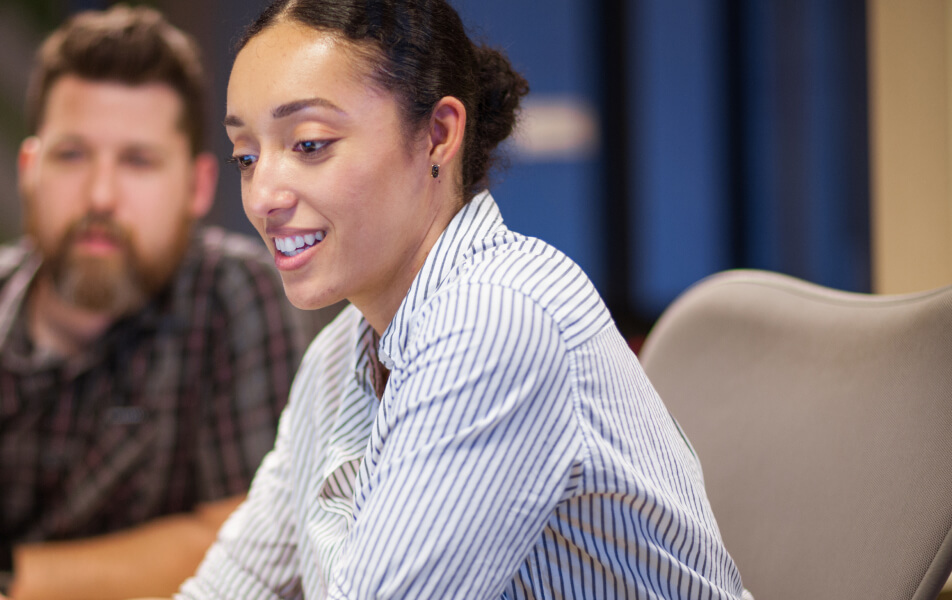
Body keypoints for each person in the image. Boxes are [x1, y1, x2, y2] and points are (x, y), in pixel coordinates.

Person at [173, 0, 751, 597]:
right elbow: (229, 587)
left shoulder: (497, 317)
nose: (263, 193)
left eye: (311, 144)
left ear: (438, 134)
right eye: (246, 155)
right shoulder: (337, 357)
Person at [0, 6, 306, 599]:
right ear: (29, 170)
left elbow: (245, 543)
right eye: (72, 156)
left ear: (196, 187)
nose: (101, 194)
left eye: (138, 161)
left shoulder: (232, 297)